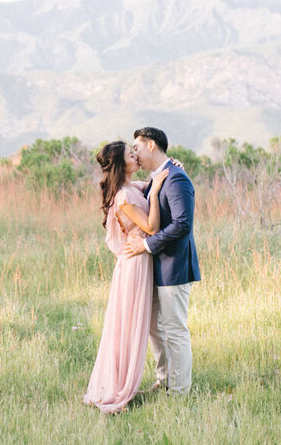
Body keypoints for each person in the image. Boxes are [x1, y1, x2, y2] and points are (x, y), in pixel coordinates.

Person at [82, 140, 170, 413]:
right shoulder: (123, 196)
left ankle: (154, 380)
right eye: (131, 154)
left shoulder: (132, 187)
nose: (136, 156)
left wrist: (170, 167)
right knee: (129, 327)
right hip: (134, 265)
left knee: (136, 323)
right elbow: (152, 227)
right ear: (121, 164)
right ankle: (118, 389)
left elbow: (153, 179)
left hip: (140, 261)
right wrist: (154, 194)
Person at [125, 126, 200, 395]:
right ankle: (165, 380)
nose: (135, 153)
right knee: (156, 330)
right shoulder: (156, 179)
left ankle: (180, 392)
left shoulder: (177, 178)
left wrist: (146, 244)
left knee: (174, 330)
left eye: (137, 147)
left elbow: (182, 224)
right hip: (154, 269)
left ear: (152, 145)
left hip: (174, 267)